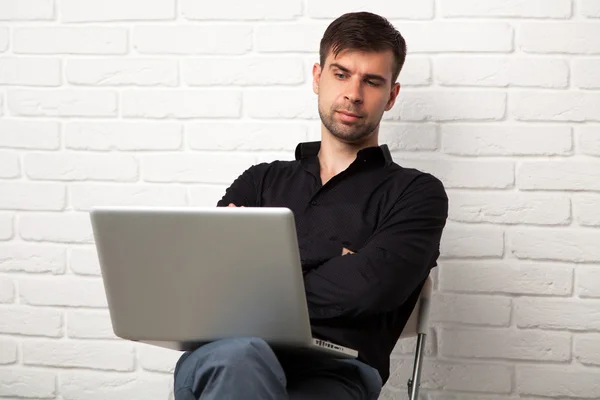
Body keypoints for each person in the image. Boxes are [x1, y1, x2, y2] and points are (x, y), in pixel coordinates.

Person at [173, 11, 448, 400]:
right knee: (240, 357)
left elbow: (369, 291)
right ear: (317, 78)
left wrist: (266, 271)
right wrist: (334, 254)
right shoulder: (261, 181)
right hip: (228, 355)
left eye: (371, 81)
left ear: (392, 95)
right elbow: (215, 286)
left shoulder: (416, 194)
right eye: (341, 74)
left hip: (334, 373)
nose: (354, 93)